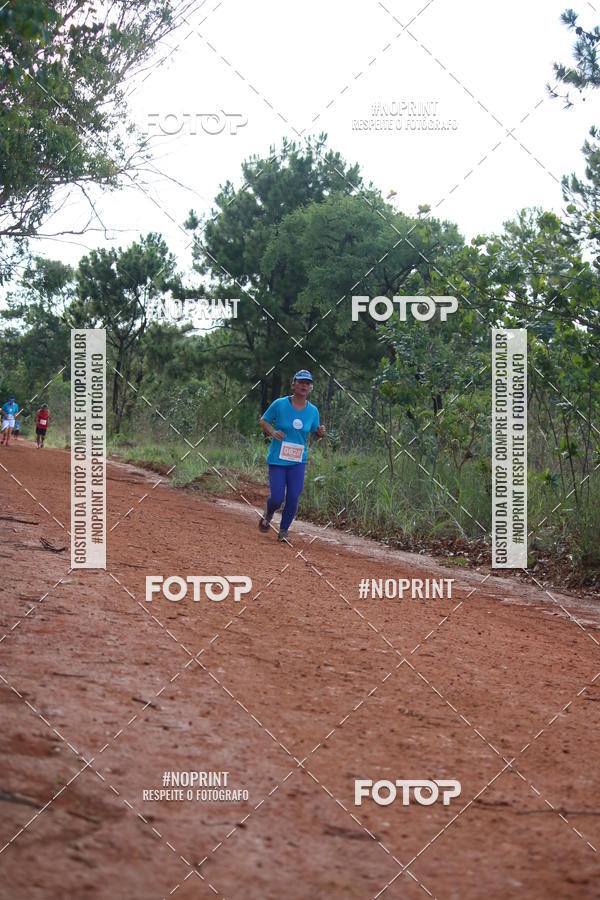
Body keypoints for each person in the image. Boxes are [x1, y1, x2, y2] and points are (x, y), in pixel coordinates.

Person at [258, 370, 325, 543]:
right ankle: (269, 512)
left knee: (294, 496)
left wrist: (319, 434)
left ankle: (284, 531)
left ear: (311, 388)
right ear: (293, 384)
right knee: (277, 498)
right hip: (278, 459)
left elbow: (314, 436)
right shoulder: (280, 404)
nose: (304, 386)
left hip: (297, 461)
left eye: (307, 383)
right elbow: (264, 420)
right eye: (300, 382)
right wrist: (272, 432)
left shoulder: (313, 411)